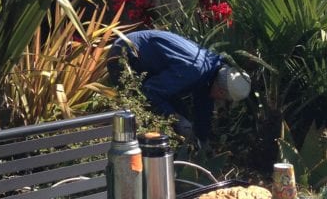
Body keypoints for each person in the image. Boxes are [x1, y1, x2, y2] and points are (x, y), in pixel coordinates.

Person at [107, 29, 251, 143]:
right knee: (140, 109)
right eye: (223, 98)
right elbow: (151, 91)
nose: (221, 101)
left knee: (179, 113)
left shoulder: (210, 70)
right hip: (126, 53)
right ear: (220, 90)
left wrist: (202, 140)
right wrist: (177, 119)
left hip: (148, 62)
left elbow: (203, 108)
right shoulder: (194, 70)